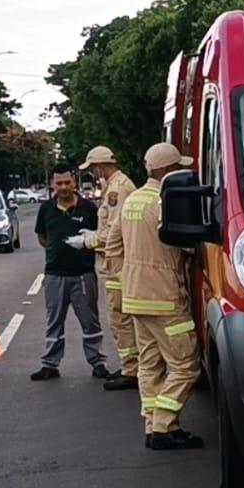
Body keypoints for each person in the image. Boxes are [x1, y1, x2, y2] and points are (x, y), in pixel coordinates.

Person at [121, 142, 203, 450]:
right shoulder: (165, 202)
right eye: (179, 167)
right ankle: (164, 426)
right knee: (185, 364)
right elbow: (186, 245)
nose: (183, 171)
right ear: (168, 171)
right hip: (163, 296)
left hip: (134, 295)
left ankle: (153, 423)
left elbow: (115, 242)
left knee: (149, 362)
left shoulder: (132, 200)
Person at [30, 165, 111, 381]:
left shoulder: (88, 209)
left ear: (74, 182)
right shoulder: (46, 209)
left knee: (90, 321)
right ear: (52, 185)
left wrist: (85, 244)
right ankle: (50, 364)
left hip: (83, 274)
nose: (63, 187)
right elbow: (43, 238)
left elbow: (100, 235)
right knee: (54, 321)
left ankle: (98, 362)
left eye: (67, 182)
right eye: (59, 183)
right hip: (55, 275)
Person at [79, 145, 141, 392]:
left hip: (119, 262)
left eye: (93, 168)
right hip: (115, 261)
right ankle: (130, 366)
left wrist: (89, 241)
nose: (92, 173)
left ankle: (132, 369)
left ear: (100, 165)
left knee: (121, 318)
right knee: (120, 318)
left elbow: (114, 231)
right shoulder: (114, 186)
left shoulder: (117, 189)